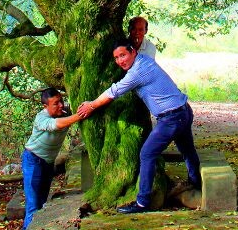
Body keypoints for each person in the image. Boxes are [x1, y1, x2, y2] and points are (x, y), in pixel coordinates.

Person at [77, 40, 200, 213]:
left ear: (133, 52)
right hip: (183, 111)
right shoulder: (144, 60)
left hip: (172, 117)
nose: (120, 61)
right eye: (116, 58)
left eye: (123, 55)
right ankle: (196, 183)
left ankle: (142, 203)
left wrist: (92, 105)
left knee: (147, 153)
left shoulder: (137, 72)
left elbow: (115, 91)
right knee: (187, 149)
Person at [22, 88, 82, 230]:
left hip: (48, 163)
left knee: (42, 202)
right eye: (56, 103)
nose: (61, 105)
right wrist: (81, 115)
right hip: (33, 160)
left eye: (61, 100)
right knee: (33, 205)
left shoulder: (64, 110)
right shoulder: (41, 118)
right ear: (45, 106)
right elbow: (56, 125)